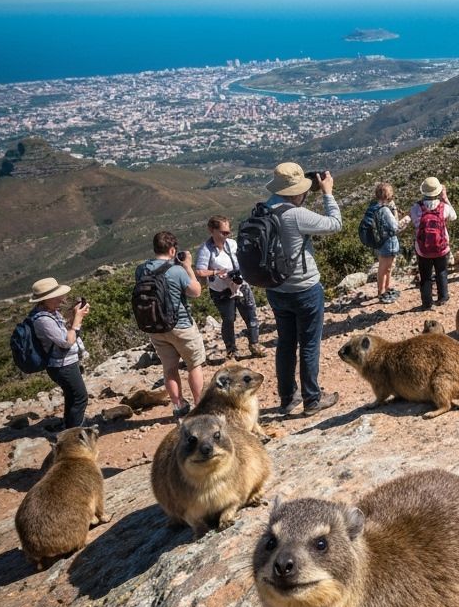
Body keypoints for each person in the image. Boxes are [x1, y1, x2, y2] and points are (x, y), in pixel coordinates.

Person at [262, 162, 342, 417]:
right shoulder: (295, 215)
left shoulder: (263, 209)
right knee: (309, 343)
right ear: (295, 191)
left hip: (275, 288)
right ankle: (312, 399)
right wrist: (328, 192)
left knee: (286, 343)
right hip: (304, 289)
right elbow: (334, 224)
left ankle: (287, 398)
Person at [136, 231, 206, 419]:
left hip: (156, 327)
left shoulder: (141, 269)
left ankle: (178, 405)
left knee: (169, 368)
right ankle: (200, 406)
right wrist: (188, 267)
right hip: (181, 324)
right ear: (173, 250)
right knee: (194, 364)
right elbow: (196, 291)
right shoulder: (177, 271)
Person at [194, 215, 266, 361]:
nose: (227, 235)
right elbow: (200, 271)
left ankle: (254, 344)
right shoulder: (206, 249)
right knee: (228, 320)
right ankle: (231, 350)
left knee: (251, 314)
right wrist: (216, 272)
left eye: (228, 232)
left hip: (240, 284)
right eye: (223, 232)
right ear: (212, 231)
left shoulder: (232, 244)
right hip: (221, 290)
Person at [28, 278, 90, 428]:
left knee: (72, 396)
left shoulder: (51, 312)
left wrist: (75, 316)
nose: (61, 299)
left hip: (66, 362)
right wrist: (77, 320)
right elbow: (66, 341)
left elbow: (65, 330)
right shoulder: (43, 320)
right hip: (62, 366)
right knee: (80, 397)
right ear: (45, 299)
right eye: (57, 297)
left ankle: (69, 426)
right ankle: (74, 435)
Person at [410, 177, 456, 310]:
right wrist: (445, 198)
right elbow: (454, 216)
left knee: (425, 275)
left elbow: (414, 222)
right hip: (441, 248)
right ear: (438, 191)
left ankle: (426, 302)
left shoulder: (416, 208)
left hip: (422, 249)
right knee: (441, 271)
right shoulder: (444, 207)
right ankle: (443, 297)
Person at [365, 183, 410, 305]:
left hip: (382, 243)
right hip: (387, 243)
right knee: (384, 268)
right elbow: (395, 227)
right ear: (387, 195)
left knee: (388, 267)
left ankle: (386, 287)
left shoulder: (375, 206)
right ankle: (381, 291)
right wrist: (407, 219)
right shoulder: (384, 210)